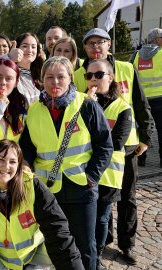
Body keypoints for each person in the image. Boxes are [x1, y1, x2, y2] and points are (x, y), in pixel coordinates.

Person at [19, 56, 113, 270]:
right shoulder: (33, 111)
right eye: (49, 77)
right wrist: (26, 167)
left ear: (70, 78)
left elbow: (104, 146)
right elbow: (27, 148)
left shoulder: (87, 105)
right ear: (41, 80)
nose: (55, 83)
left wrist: (92, 177)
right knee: (54, 245)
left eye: (61, 77)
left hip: (81, 189)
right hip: (47, 191)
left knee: (84, 246)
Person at [74, 28, 154, 265]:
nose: (95, 47)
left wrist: (146, 136)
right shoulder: (80, 73)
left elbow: (141, 102)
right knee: (100, 197)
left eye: (100, 42)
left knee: (127, 198)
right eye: (90, 44)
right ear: (85, 48)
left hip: (126, 146)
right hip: (94, 148)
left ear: (109, 44)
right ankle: (104, 239)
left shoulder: (126, 68)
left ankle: (127, 244)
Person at [0, 139, 84, 269]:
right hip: (0, 258)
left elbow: (57, 231)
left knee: (62, 254)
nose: (6, 166)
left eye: (12, 162)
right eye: (0, 159)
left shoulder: (33, 186)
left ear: (19, 165)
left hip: (32, 253)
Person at [85, 59, 132, 270]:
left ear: (110, 77)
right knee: (86, 218)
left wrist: (93, 110)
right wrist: (87, 106)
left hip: (108, 174)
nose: (93, 79)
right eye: (89, 76)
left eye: (99, 75)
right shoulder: (82, 102)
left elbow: (116, 142)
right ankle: (88, 254)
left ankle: (97, 256)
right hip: (84, 172)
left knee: (101, 220)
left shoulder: (122, 107)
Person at [0, 32, 44, 105]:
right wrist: (9, 57)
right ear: (16, 48)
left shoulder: (40, 74)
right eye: (25, 46)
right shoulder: (6, 71)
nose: (30, 50)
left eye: (33, 47)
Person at [133, 28, 162, 167]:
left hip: (141, 100)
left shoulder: (136, 56)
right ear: (156, 39)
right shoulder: (161, 54)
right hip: (160, 98)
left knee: (142, 129)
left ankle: (140, 159)